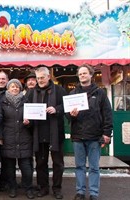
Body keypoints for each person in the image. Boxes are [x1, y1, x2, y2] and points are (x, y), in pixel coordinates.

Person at [68, 65, 113, 200]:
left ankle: (94, 193)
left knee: (94, 167)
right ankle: (80, 192)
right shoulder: (72, 94)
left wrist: (107, 133)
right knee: (79, 166)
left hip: (95, 136)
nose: (82, 76)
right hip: (78, 135)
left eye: (84, 73)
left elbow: (107, 114)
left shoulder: (100, 93)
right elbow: (67, 116)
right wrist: (72, 115)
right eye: (80, 74)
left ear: (91, 75)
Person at [27, 67, 67, 199]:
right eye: (38, 78)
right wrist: (26, 118)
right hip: (39, 133)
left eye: (42, 77)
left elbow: (66, 106)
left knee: (58, 163)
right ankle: (43, 187)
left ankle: (57, 188)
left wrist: (56, 109)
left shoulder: (60, 90)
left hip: (55, 133)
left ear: (48, 77)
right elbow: (25, 108)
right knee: (40, 163)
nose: (40, 80)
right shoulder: (31, 93)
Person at [0, 79, 35, 199]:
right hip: (8, 137)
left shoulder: (26, 101)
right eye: (12, 87)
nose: (14, 88)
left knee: (26, 167)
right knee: (9, 167)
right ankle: (12, 187)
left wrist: (29, 122)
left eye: (17, 87)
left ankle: (28, 188)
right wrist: (0, 136)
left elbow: (33, 120)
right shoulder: (2, 102)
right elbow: (0, 121)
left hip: (24, 137)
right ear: (8, 89)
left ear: (20, 89)